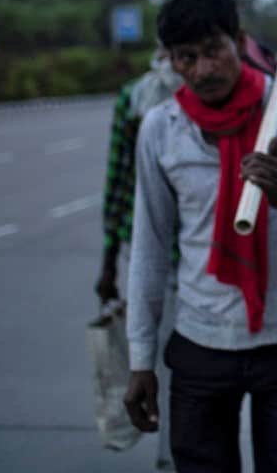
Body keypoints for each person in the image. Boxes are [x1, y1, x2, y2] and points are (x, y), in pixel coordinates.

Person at [123, 0, 277, 472]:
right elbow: (150, 248)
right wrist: (141, 358)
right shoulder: (161, 127)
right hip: (201, 343)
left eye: (214, 51)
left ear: (239, 42)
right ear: (171, 61)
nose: (204, 69)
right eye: (187, 57)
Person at [97, 49, 182, 470]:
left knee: (189, 362)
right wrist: (110, 259)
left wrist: (109, 258)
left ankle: (179, 451)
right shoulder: (136, 100)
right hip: (152, 250)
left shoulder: (213, 95)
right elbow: (119, 176)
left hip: (204, 256)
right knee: (160, 357)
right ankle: (171, 453)